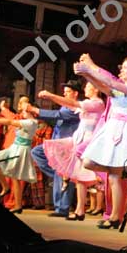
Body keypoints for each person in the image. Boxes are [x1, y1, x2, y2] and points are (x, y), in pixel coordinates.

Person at [75, 55, 127, 229]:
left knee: (113, 176)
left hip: (123, 129)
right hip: (111, 128)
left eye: (125, 67)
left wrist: (90, 67)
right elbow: (105, 88)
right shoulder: (121, 89)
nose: (121, 69)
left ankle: (115, 216)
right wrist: (86, 75)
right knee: (89, 162)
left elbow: (112, 84)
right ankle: (120, 175)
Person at [38, 81, 106, 221]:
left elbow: (74, 104)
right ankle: (79, 210)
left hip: (89, 142)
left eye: (87, 87)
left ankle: (109, 212)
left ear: (96, 90)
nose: (85, 89)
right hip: (79, 140)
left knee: (100, 178)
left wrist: (50, 95)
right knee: (80, 178)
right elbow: (70, 105)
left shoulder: (97, 104)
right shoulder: (89, 102)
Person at [29, 80, 81, 217]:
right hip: (57, 143)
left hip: (66, 144)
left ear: (75, 94)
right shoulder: (65, 106)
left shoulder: (76, 108)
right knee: (37, 152)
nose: (64, 94)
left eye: (67, 92)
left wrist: (37, 110)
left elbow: (58, 116)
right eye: (64, 92)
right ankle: (55, 174)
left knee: (64, 174)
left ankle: (62, 208)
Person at [0, 101, 39, 213]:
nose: (23, 113)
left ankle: (17, 205)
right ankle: (6, 187)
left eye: (25, 111)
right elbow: (10, 118)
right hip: (14, 148)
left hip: (21, 150)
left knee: (15, 177)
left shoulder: (31, 123)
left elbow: (9, 121)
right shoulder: (24, 121)